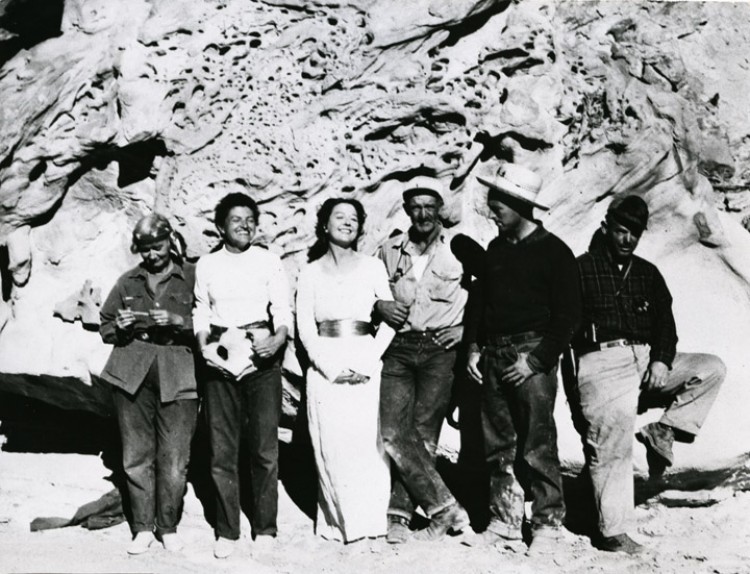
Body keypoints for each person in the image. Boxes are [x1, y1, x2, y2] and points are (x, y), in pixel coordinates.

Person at [569, 195, 726, 554]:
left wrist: (661, 361)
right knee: (612, 440)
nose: (627, 240)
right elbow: (565, 331)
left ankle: (664, 429)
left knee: (710, 368)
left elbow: (666, 327)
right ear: (606, 227)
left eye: (635, 234)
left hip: (645, 359)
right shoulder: (581, 269)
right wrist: (574, 388)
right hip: (602, 359)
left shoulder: (647, 273)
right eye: (622, 231)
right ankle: (614, 532)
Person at [464, 164, 581, 555]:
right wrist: (475, 348)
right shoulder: (496, 250)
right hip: (494, 356)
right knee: (499, 445)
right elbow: (482, 303)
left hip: (530, 357)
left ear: (519, 205)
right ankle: (505, 521)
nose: (491, 210)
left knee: (537, 442)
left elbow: (568, 318)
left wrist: (534, 362)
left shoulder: (555, 252)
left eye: (498, 204)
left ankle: (547, 523)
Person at [193, 192, 292, 559]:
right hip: (220, 351)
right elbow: (201, 310)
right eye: (236, 219)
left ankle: (265, 527)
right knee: (222, 449)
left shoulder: (269, 261)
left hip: (261, 352)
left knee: (264, 447)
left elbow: (282, 309)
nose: (245, 225)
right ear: (221, 226)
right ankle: (227, 529)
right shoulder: (207, 264)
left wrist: (277, 340)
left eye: (250, 219)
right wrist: (205, 348)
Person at [375, 177, 470, 543]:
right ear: (406, 210)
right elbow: (367, 288)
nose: (424, 213)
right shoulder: (388, 250)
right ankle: (444, 507)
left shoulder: (459, 250)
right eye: (416, 206)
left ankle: (398, 515)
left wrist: (464, 331)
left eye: (431, 206)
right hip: (397, 347)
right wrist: (379, 305)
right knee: (392, 430)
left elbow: (485, 293)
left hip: (439, 351)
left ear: (442, 210)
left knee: (424, 435)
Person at [296, 198, 396, 542]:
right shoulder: (309, 273)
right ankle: (339, 525)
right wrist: (329, 366)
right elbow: (306, 327)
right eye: (339, 217)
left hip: (366, 358)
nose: (347, 223)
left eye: (353, 218)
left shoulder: (372, 267)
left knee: (367, 444)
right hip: (326, 365)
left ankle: (370, 525)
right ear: (325, 225)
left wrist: (369, 361)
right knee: (332, 444)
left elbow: (391, 321)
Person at [99, 214, 198, 555]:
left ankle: (167, 527)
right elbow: (105, 325)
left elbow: (211, 322)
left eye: (157, 247)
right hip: (131, 370)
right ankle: (142, 527)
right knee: (136, 454)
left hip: (179, 371)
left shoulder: (193, 277)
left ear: (171, 241)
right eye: (145, 250)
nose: (152, 255)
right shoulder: (129, 281)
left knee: (174, 457)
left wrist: (179, 322)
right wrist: (122, 325)